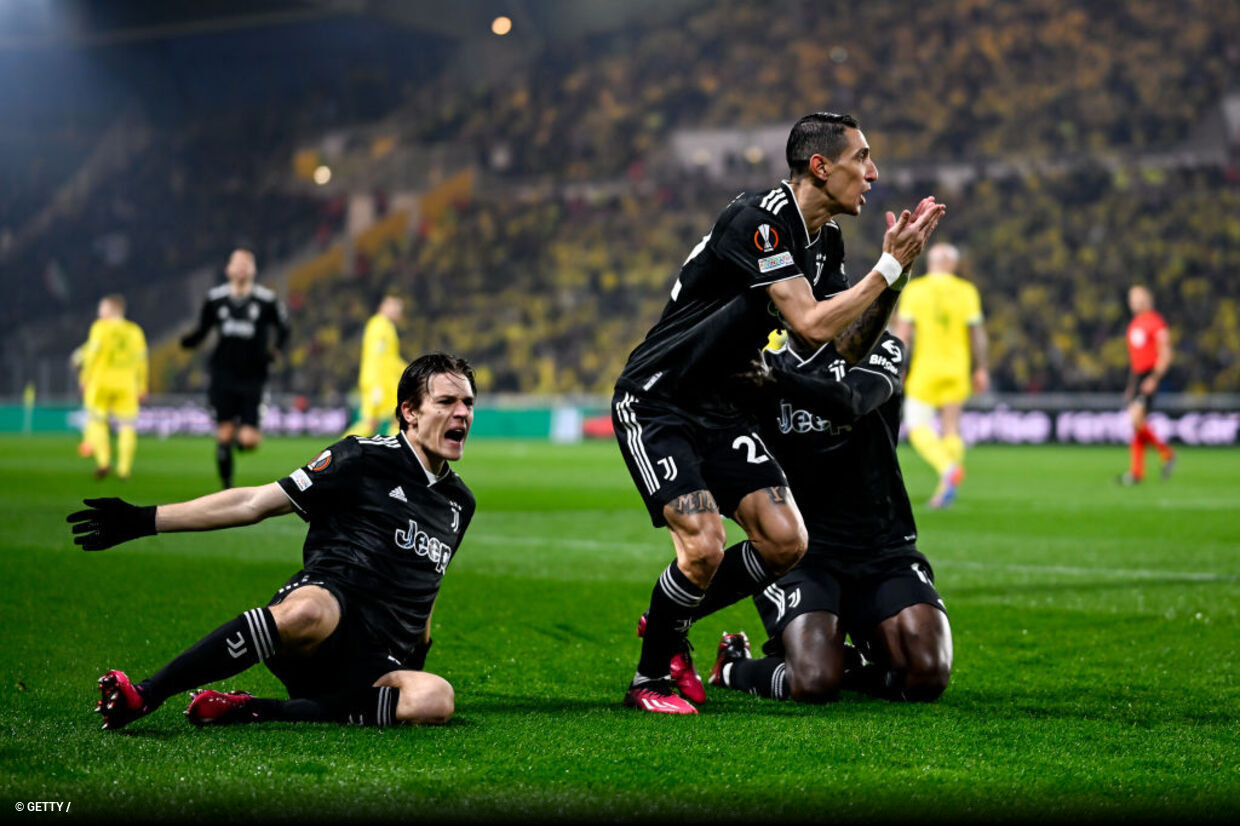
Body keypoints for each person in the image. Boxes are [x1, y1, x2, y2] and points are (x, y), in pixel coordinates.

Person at [612, 112, 946, 714]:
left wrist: (896, 279)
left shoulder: (827, 243)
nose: (872, 173)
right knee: (704, 546)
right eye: (861, 158)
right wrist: (887, 268)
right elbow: (809, 321)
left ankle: (673, 623)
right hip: (659, 400)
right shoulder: (759, 219)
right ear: (821, 166)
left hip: (722, 404)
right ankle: (649, 678)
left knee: (785, 541)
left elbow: (835, 345)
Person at [67, 353, 477, 730]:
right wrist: (144, 520)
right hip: (324, 618)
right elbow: (254, 502)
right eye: (446, 402)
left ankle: (252, 709)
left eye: (468, 403)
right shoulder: (362, 458)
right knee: (311, 611)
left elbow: (429, 581)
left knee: (435, 699)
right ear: (410, 412)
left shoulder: (460, 502)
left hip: (372, 657)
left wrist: (419, 651)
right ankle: (145, 694)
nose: (461, 412)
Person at [709, 331, 952, 704]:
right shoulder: (759, 368)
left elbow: (851, 401)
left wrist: (777, 382)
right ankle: (731, 666)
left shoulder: (880, 349)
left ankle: (848, 666)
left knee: (926, 676)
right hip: (804, 556)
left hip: (884, 550)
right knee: (815, 682)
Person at [180, 247, 290, 488]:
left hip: (254, 376)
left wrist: (276, 350)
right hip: (223, 374)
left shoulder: (266, 300)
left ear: (253, 270)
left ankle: (240, 435)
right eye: (236, 264)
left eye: (245, 264)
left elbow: (284, 328)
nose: (240, 268)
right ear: (228, 269)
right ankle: (226, 486)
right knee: (224, 433)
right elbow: (203, 329)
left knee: (249, 441)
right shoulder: (215, 299)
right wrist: (190, 341)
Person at [892, 243, 988, 508]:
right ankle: (948, 480)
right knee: (950, 428)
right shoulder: (966, 291)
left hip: (926, 369)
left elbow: (903, 335)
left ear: (931, 263)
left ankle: (947, 469)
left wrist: (896, 367)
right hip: (957, 368)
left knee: (916, 426)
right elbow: (976, 334)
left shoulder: (916, 290)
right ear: (953, 264)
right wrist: (981, 368)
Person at [79, 295, 148, 480]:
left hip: (100, 382)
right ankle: (124, 469)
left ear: (111, 310)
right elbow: (142, 362)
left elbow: (91, 355)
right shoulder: (135, 331)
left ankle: (103, 462)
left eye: (102, 308)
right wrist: (142, 385)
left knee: (97, 422)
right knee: (127, 426)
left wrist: (84, 377)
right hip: (127, 384)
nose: (99, 313)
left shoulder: (100, 328)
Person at [1118, 285, 1175, 484]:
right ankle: (1136, 473)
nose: (1133, 301)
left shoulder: (1156, 322)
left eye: (1137, 297)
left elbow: (1166, 353)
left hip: (1150, 374)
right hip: (1137, 376)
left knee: (1135, 420)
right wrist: (1131, 384)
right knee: (1136, 425)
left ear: (1147, 299)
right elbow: (1136, 357)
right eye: (1131, 298)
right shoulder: (1135, 323)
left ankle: (1166, 453)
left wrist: (1154, 378)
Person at [345, 295, 407, 437]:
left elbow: (391, 358)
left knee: (396, 418)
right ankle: (341, 450)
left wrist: (410, 370)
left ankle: (395, 452)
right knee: (371, 422)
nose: (398, 312)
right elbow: (376, 356)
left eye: (399, 309)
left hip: (386, 382)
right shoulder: (379, 326)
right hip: (378, 382)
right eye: (395, 308)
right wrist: (376, 384)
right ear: (383, 307)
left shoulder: (386, 326)